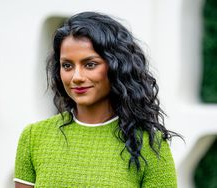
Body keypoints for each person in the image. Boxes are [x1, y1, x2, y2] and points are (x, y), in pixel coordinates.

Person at [14, 11, 181, 188]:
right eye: (67, 65)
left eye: (90, 64)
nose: (76, 77)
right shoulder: (34, 137)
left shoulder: (149, 145)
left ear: (117, 66)